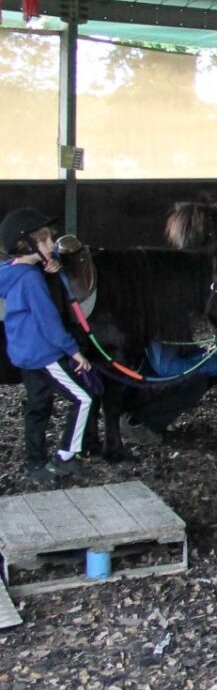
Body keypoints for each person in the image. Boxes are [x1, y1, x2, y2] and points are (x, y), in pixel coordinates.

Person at [1, 208, 95, 486]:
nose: (50, 246)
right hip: (45, 354)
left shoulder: (12, 270)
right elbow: (49, 322)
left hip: (25, 353)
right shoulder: (31, 279)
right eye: (43, 242)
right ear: (27, 245)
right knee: (84, 399)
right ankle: (66, 456)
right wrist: (74, 351)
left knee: (39, 405)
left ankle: (35, 462)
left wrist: (49, 265)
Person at [115, 343, 217, 447]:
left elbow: (184, 350)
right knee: (195, 381)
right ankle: (136, 423)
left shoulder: (174, 320)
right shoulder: (162, 319)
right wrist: (216, 365)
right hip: (130, 387)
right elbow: (166, 367)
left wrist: (215, 359)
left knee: (208, 372)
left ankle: (144, 418)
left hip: (140, 380)